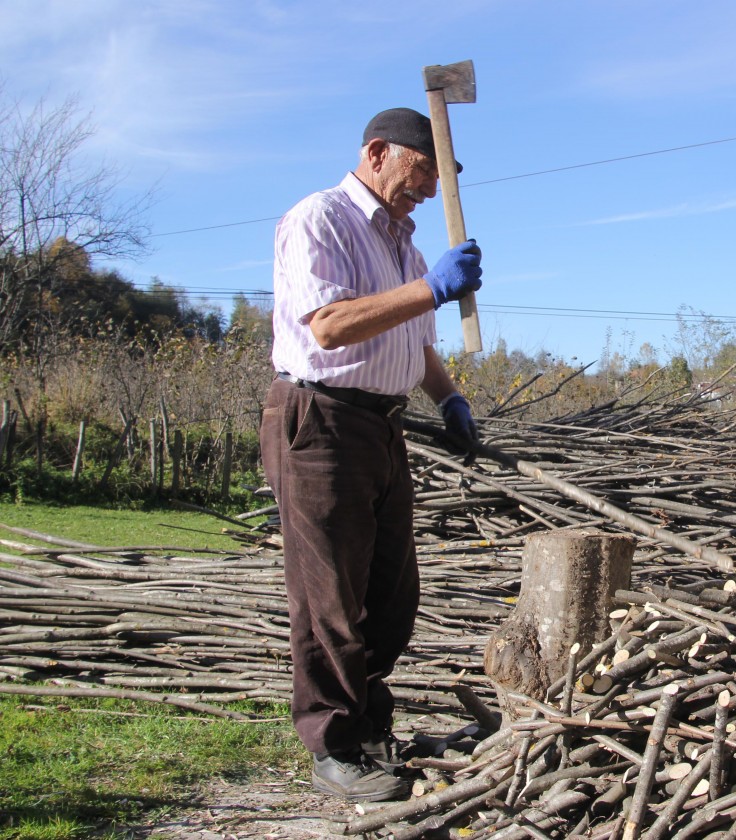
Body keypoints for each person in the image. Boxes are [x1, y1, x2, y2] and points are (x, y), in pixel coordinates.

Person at [259, 107, 482, 803]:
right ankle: (334, 746)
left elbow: (413, 343)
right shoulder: (319, 220)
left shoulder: (406, 247)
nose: (426, 191)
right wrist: (430, 289)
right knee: (329, 595)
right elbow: (327, 326)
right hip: (320, 421)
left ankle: (368, 726)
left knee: (390, 594)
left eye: (437, 180)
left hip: (382, 427)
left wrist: (448, 399)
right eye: (423, 173)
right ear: (380, 152)